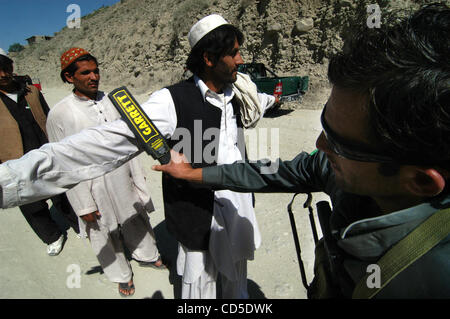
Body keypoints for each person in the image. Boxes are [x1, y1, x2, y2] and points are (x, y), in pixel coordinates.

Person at [1, 4, 447, 298]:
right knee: (200, 284)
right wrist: (11, 182)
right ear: (209, 58)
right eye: (234, 55)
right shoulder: (167, 102)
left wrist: (274, 100)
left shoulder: (237, 93)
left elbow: (254, 131)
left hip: (237, 203)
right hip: (197, 213)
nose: (240, 61)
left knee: (234, 277)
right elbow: (86, 151)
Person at [152, 4, 450, 298]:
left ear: (421, 181)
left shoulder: (429, 279)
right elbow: (269, 172)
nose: (320, 146)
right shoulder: (172, 100)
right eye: (325, 128)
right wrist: (193, 173)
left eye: (340, 142)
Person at [46, 48, 165, 297]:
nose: (93, 77)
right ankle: (121, 274)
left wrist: (138, 177)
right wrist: (82, 204)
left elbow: (133, 138)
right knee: (101, 231)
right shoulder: (60, 113)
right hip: (90, 183)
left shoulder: (115, 99)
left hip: (123, 173)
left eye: (96, 71)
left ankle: (147, 254)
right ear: (69, 77)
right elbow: (63, 163)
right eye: (85, 72)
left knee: (136, 215)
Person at [0, 52, 80, 256]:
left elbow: (50, 117)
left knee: (63, 191)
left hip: (46, 152)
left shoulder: (31, 92)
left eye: (6, 68)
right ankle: (52, 236)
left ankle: (80, 225)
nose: (3, 74)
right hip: (15, 160)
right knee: (30, 204)